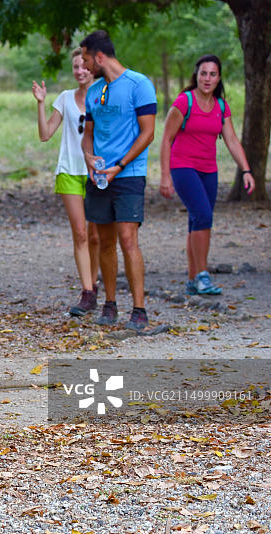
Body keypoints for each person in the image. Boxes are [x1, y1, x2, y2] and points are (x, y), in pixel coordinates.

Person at [80, 30, 157, 331]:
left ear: (99, 56)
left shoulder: (140, 84)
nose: (84, 66)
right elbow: (88, 135)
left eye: (86, 59)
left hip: (129, 174)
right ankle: (109, 304)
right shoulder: (93, 91)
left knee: (128, 240)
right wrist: (89, 158)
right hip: (100, 177)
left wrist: (120, 165)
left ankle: (139, 310)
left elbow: (148, 133)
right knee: (105, 242)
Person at [159, 55, 255, 295]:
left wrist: (246, 170)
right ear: (197, 75)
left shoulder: (221, 106)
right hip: (183, 167)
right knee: (202, 216)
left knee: (197, 220)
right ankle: (203, 275)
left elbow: (231, 140)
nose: (207, 78)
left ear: (218, 77)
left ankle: (193, 279)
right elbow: (166, 139)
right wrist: (164, 176)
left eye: (213, 74)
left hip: (209, 170)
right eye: (204, 73)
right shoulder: (184, 102)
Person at [32, 48, 101, 317]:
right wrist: (40, 102)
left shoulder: (104, 96)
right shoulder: (64, 98)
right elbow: (45, 134)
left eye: (85, 66)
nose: (80, 71)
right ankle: (87, 291)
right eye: (76, 67)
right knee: (81, 234)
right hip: (70, 171)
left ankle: (94, 282)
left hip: (96, 171)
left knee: (96, 235)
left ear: (94, 68)